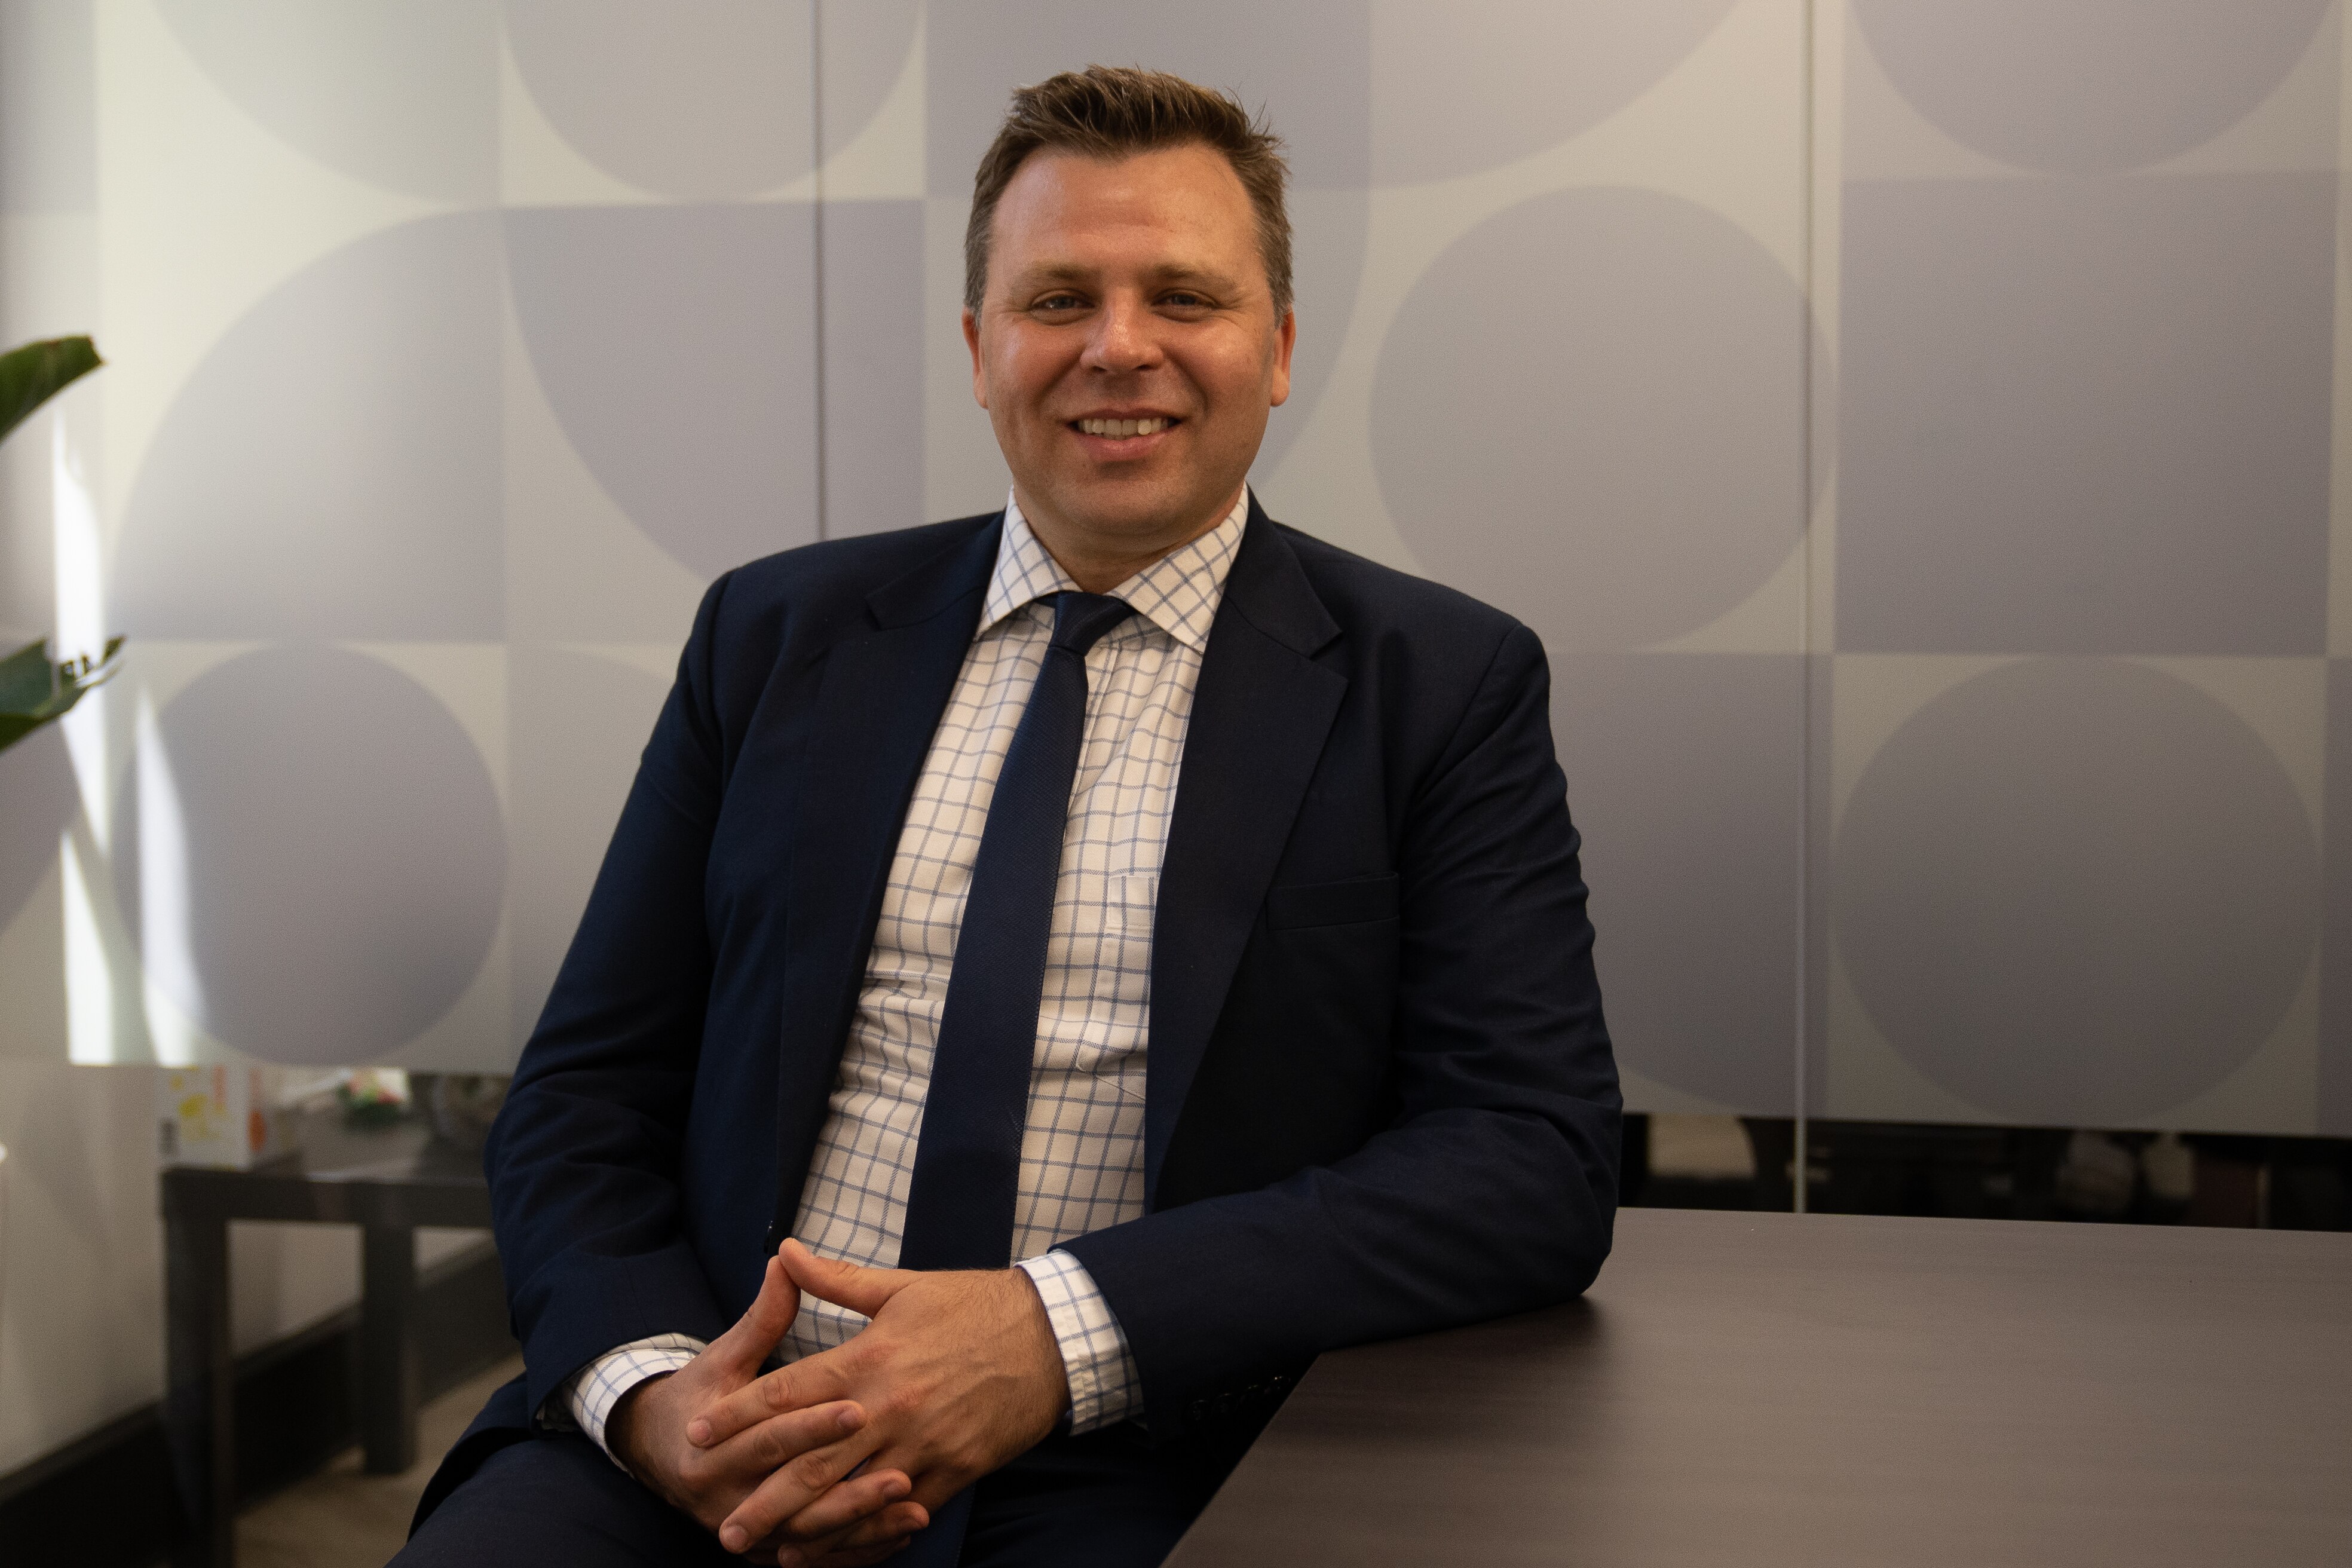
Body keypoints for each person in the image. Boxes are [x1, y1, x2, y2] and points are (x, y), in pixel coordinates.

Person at [399, 65, 1620, 1568]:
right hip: (720, 1423)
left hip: (1129, 1449)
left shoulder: (1438, 684)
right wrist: (659, 1400)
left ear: (1279, 346)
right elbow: (584, 1094)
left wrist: (1053, 1334)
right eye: (1057, 301)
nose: (1121, 347)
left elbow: (1527, 1157)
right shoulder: (772, 635)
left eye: (1183, 294)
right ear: (979, 349)